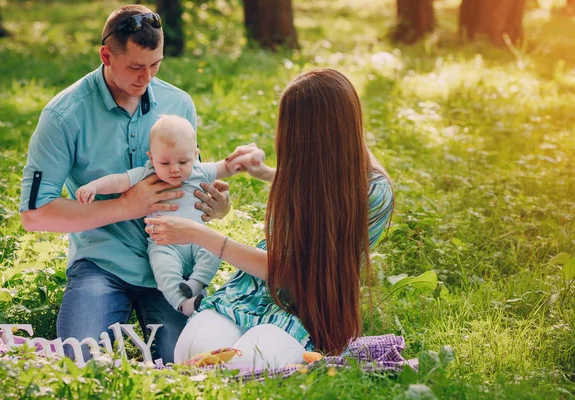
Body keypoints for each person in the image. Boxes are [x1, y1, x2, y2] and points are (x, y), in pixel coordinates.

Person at [19, 5, 230, 363]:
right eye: (135, 67)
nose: (146, 78)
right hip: (101, 264)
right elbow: (34, 215)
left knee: (190, 365)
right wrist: (127, 206)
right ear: (106, 55)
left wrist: (217, 206)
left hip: (172, 267)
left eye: (155, 65)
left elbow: (190, 181)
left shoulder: (179, 103)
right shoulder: (64, 115)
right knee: (80, 364)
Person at [145, 69, 395, 368]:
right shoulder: (315, 166)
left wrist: (198, 234)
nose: (281, 138)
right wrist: (265, 173)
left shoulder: (374, 194)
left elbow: (293, 273)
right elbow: (320, 181)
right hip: (251, 291)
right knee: (191, 349)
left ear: (318, 138)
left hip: (307, 308)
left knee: (248, 362)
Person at [75, 115, 250, 316]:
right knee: (163, 272)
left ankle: (195, 284)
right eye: (165, 163)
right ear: (151, 158)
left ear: (195, 155)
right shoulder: (147, 173)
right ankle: (183, 304)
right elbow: (119, 181)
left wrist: (241, 160)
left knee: (215, 248)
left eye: (183, 161)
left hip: (197, 236)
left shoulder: (199, 171)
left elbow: (226, 167)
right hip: (164, 243)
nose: (174, 169)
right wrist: (94, 186)